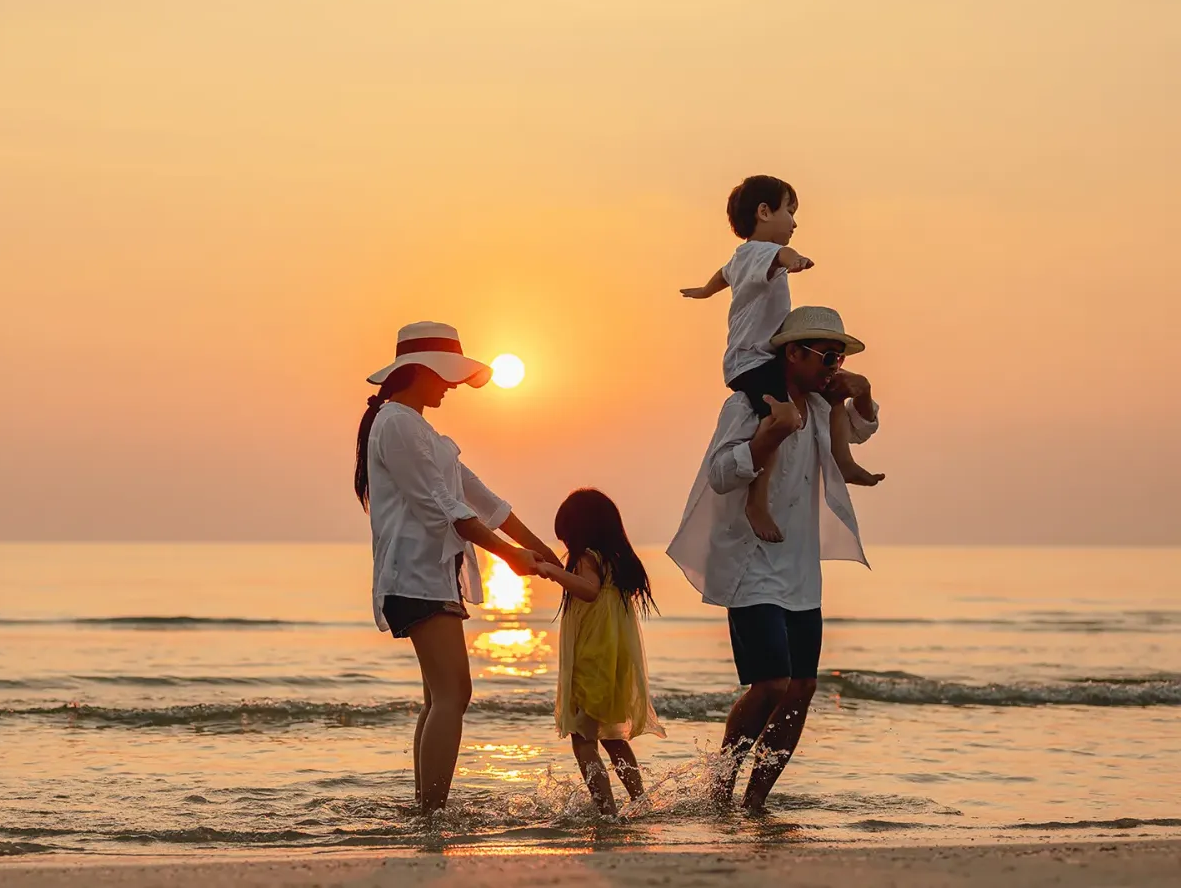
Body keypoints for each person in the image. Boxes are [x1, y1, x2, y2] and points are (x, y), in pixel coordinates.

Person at [666, 306, 880, 811]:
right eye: (827, 356)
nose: (834, 366)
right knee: (771, 684)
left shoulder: (823, 408)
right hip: (750, 563)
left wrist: (864, 391)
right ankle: (719, 789)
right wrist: (769, 435)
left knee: (802, 687)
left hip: (801, 569)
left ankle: (755, 801)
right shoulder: (748, 404)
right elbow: (721, 473)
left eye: (840, 357)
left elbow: (861, 430)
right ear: (794, 353)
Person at [355, 321, 560, 815]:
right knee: (454, 694)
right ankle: (432, 814)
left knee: (439, 698)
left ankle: (425, 810)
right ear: (420, 370)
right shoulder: (397, 423)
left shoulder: (421, 429)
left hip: (433, 574)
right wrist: (510, 557)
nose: (451, 385)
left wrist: (545, 551)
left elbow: (483, 499)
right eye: (445, 375)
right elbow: (442, 507)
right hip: (414, 576)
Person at [681, 175, 883, 543]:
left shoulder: (741, 261)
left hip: (763, 358)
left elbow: (721, 276)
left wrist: (704, 291)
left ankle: (845, 461)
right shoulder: (760, 253)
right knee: (779, 420)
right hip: (752, 362)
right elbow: (782, 255)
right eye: (789, 211)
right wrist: (796, 260)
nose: (794, 221)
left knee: (835, 393)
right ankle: (757, 501)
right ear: (763, 212)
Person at [530, 488, 664, 817]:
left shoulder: (587, 558)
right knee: (613, 739)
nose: (566, 548)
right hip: (613, 662)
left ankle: (607, 812)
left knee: (583, 739)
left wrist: (552, 571)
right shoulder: (618, 562)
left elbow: (588, 591)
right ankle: (640, 802)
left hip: (591, 662)